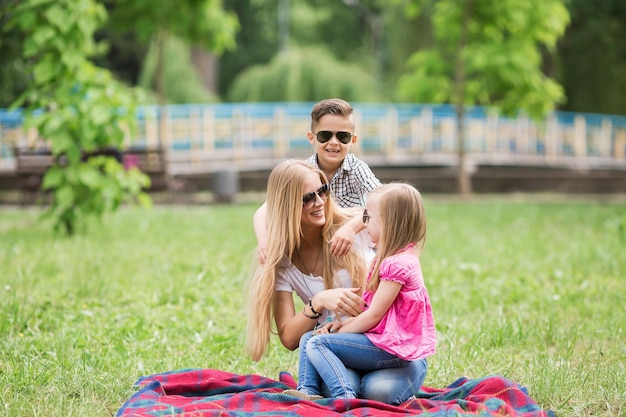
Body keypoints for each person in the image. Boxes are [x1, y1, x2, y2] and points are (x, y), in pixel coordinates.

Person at [246, 161, 430, 405]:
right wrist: (319, 301)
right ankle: (326, 394)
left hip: (393, 345)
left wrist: (353, 226)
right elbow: (289, 338)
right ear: (287, 207)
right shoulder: (284, 264)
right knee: (340, 378)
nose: (320, 201)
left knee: (378, 391)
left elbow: (399, 213)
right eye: (307, 198)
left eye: (323, 191)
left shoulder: (361, 229)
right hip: (345, 347)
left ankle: (350, 397)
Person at [283, 183, 437, 403]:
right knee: (311, 336)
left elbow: (374, 315)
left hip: (392, 347)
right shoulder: (388, 259)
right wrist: (339, 327)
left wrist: (342, 329)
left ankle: (344, 396)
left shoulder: (398, 264)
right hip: (380, 340)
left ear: (388, 223)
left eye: (368, 217)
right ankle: (307, 390)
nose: (363, 223)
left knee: (318, 343)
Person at [253, 98, 381, 265]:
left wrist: (351, 228)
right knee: (275, 250)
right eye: (325, 135)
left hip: (354, 242)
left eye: (342, 136)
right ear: (311, 138)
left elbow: (385, 201)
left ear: (353, 140)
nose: (334, 142)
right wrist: (264, 242)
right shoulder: (305, 171)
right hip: (318, 242)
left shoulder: (357, 169)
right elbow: (264, 211)